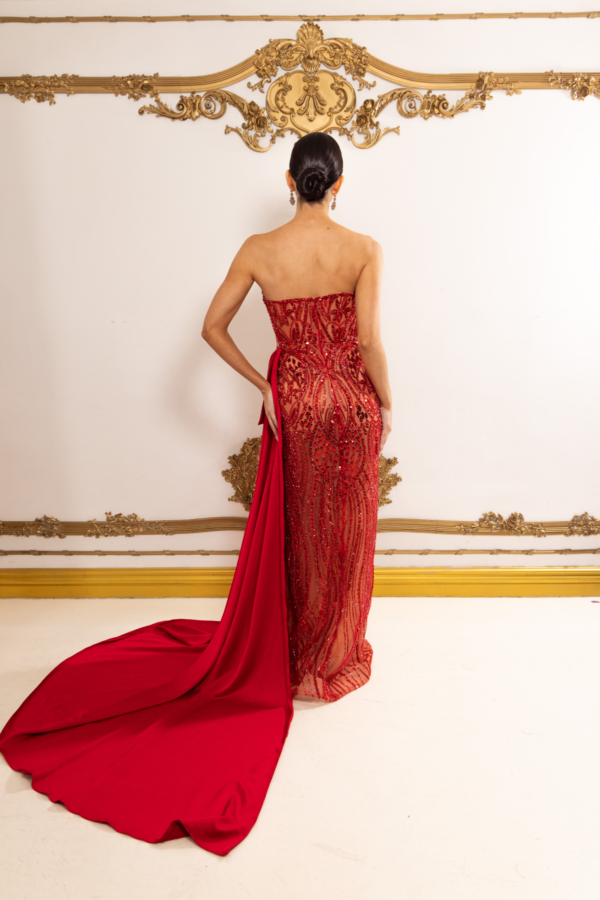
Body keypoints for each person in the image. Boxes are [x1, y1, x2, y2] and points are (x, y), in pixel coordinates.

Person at [0, 132, 392, 856]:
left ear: (289, 179)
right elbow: (367, 339)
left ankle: (291, 653)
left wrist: (266, 386)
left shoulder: (257, 249)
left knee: (297, 526)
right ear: (337, 183)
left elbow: (211, 328)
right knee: (347, 526)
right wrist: (386, 402)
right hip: (351, 403)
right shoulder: (364, 246)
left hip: (295, 399)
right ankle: (332, 659)